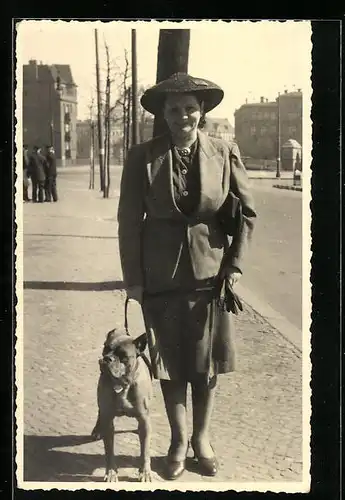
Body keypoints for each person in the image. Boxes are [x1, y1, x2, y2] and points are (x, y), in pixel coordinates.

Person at [117, 73, 257, 480]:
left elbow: (246, 214)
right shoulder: (142, 157)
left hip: (210, 274)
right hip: (159, 275)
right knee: (168, 362)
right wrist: (134, 282)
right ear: (164, 113)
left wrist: (233, 264)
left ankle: (202, 439)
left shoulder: (223, 151)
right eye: (175, 109)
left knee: (205, 363)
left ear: (203, 112)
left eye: (190, 108)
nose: (183, 116)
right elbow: (128, 222)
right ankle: (178, 441)